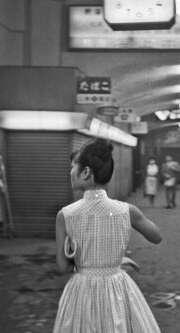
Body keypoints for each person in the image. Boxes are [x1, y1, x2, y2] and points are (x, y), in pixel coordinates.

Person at [53, 138, 162, 333]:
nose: (70, 172)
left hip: (81, 290)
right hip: (117, 286)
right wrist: (115, 260)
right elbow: (156, 236)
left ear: (86, 172)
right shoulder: (127, 210)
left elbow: (62, 267)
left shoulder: (65, 215)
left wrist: (87, 260)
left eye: (72, 167)